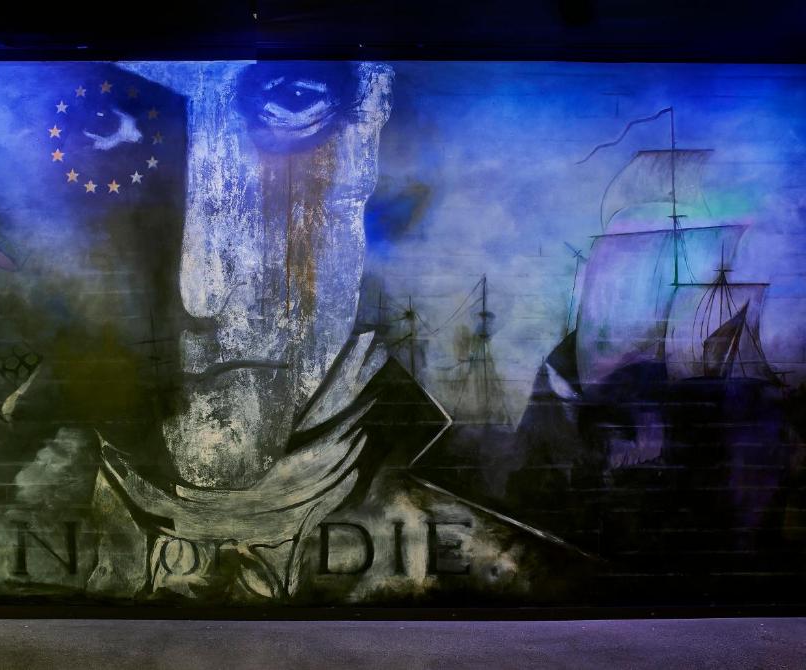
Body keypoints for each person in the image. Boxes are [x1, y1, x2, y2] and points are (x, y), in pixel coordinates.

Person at [83, 62, 589, 604]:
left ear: (366, 138)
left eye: (293, 105)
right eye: (106, 123)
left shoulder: (510, 577)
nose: (200, 290)